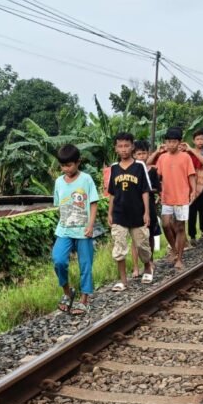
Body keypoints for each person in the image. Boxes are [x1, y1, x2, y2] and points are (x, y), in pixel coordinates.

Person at [53, 144, 99, 315]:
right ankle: (67, 292)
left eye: (69, 165)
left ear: (78, 162)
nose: (66, 169)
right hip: (64, 230)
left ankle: (84, 299)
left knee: (85, 264)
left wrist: (91, 225)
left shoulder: (86, 179)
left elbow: (93, 203)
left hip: (83, 230)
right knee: (58, 260)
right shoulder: (58, 182)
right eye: (63, 166)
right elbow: (59, 205)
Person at [107, 132, 154, 289]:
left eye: (126, 146)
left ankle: (147, 266)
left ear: (132, 146)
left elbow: (145, 190)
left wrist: (146, 212)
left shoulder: (139, 166)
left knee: (142, 245)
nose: (124, 149)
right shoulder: (114, 168)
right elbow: (112, 193)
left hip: (137, 213)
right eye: (120, 146)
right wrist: (109, 213)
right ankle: (123, 280)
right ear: (116, 148)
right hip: (119, 214)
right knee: (119, 246)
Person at [149, 128, 198, 270]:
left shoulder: (185, 157)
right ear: (165, 142)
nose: (171, 144)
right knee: (165, 224)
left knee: (180, 227)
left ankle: (180, 258)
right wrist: (157, 152)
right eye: (168, 141)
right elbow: (152, 170)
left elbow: (191, 175)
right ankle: (174, 249)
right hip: (167, 196)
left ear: (179, 142)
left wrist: (193, 190)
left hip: (182, 196)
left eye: (174, 142)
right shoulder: (162, 157)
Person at [134, 139, 161, 260]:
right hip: (135, 206)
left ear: (148, 154)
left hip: (149, 205)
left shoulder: (152, 171)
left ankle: (151, 260)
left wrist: (147, 189)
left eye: (144, 153)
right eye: (139, 154)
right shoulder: (132, 170)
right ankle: (136, 265)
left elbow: (158, 188)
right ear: (134, 155)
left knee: (150, 233)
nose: (141, 156)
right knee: (135, 236)